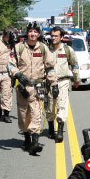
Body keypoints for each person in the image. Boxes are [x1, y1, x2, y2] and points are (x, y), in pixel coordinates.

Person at [7, 22, 58, 155]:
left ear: (39, 34)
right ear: (27, 33)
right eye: (30, 31)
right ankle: (27, 137)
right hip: (23, 87)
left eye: (35, 32)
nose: (33, 34)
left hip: (38, 87)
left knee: (36, 113)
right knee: (24, 115)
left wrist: (54, 84)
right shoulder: (18, 48)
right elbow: (9, 65)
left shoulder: (43, 48)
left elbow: (50, 67)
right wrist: (17, 73)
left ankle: (35, 142)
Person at [46, 27, 80, 143]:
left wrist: (76, 79)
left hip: (63, 81)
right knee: (50, 106)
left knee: (62, 105)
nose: (53, 38)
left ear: (61, 37)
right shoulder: (46, 50)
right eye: (52, 35)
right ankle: (51, 130)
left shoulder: (67, 50)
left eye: (56, 36)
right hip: (49, 82)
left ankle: (60, 131)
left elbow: (74, 64)